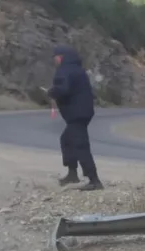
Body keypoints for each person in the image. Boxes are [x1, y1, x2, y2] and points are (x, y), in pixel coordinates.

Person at [48, 45, 103, 191]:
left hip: (76, 114)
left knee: (80, 145)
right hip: (83, 112)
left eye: (55, 57)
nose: (54, 60)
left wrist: (52, 92)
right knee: (67, 139)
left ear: (60, 57)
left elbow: (63, 89)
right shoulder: (78, 70)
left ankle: (94, 180)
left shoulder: (64, 70)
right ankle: (72, 174)